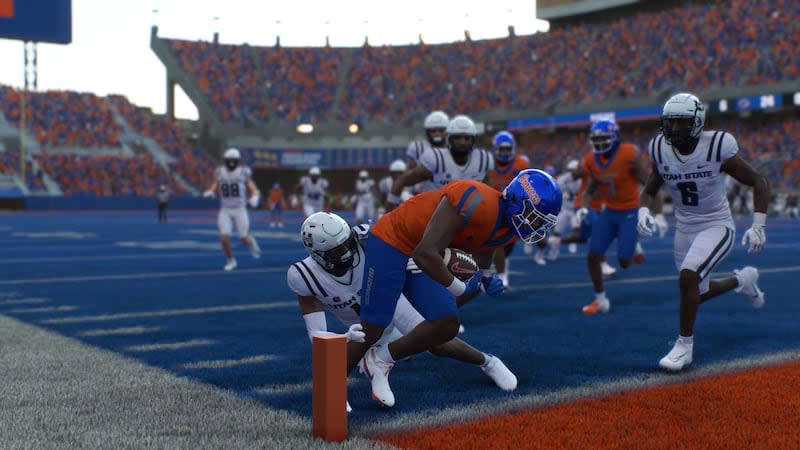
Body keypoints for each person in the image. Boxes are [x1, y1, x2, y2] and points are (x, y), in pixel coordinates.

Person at [348, 169, 562, 407]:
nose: (535, 227)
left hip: (427, 253)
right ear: (516, 201)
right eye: (534, 217)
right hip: (394, 239)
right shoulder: (475, 200)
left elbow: (483, 252)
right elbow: (424, 252)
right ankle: (332, 389)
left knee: (446, 322)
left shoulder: (509, 227)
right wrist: (459, 287)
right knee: (373, 326)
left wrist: (487, 275)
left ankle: (380, 360)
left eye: (541, 222)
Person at [287, 212, 518, 411]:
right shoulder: (303, 276)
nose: (347, 253)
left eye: (347, 243)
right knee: (336, 363)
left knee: (437, 341)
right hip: (360, 330)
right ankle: (361, 377)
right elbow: (316, 333)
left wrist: (414, 258)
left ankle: (488, 362)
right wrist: (342, 338)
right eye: (337, 252)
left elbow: (416, 242)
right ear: (317, 254)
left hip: (390, 303)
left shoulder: (367, 238)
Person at [638, 92, 770, 371]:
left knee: (688, 279)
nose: (674, 129)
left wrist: (758, 225)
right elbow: (650, 189)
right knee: (696, 291)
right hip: (684, 228)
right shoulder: (660, 148)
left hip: (716, 224)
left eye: (681, 123)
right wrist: (643, 210)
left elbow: (759, 181)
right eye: (670, 123)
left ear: (697, 122)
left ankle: (683, 347)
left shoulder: (716, 146)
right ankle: (742, 280)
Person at [576, 119, 653, 315]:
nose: (599, 143)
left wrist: (654, 212)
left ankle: (632, 244)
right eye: (596, 139)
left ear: (615, 138)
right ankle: (600, 299)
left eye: (604, 139)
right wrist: (583, 208)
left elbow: (650, 184)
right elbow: (591, 187)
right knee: (593, 255)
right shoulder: (592, 160)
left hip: (629, 211)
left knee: (624, 262)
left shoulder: (628, 154)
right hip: (609, 211)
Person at [388, 114, 494, 210]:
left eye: (467, 138)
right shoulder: (435, 158)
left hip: (469, 217)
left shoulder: (483, 160)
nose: (462, 142)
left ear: (473, 140)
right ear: (449, 139)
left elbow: (490, 195)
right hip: (434, 215)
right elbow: (401, 181)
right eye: (457, 138)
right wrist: (389, 213)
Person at [202, 148, 261, 271]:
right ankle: (231, 260)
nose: (231, 163)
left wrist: (255, 195)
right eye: (229, 160)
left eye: (233, 160)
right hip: (225, 209)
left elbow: (252, 186)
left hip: (240, 208)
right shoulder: (220, 172)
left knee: (243, 237)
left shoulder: (243, 172)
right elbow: (215, 184)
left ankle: (251, 243)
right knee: (224, 238)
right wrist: (211, 191)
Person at [486, 130, 529, 290]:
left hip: (514, 208)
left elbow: (526, 187)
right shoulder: (488, 164)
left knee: (508, 246)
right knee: (497, 243)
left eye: (507, 149)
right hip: (494, 207)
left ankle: (499, 270)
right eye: (501, 149)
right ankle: (501, 276)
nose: (504, 153)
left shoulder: (521, 164)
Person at [405, 110, 450, 193]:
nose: (437, 133)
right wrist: (406, 191)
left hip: (448, 193)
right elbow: (408, 173)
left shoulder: (454, 148)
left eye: (441, 130)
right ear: (427, 132)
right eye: (433, 131)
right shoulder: (418, 148)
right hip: (423, 195)